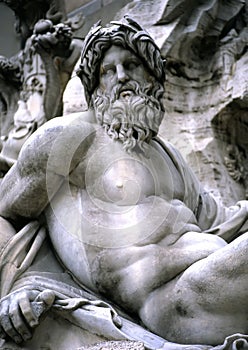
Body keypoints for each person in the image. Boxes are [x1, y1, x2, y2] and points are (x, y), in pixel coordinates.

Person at [0, 16, 247, 348]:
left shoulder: (169, 155)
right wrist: (17, 286)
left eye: (131, 65)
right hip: (178, 301)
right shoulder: (70, 137)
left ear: (151, 76)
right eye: (108, 70)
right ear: (95, 84)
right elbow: (3, 210)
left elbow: (223, 220)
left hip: (216, 272)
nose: (121, 77)